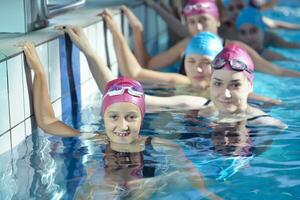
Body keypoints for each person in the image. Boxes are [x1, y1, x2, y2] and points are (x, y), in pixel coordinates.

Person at [23, 42, 221, 200]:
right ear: (103, 117)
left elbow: (187, 171)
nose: (122, 125)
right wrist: (39, 73)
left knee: (148, 183)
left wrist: (206, 193)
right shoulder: (98, 139)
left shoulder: (161, 145)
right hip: (110, 186)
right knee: (96, 188)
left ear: (142, 118)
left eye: (131, 117)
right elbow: (48, 122)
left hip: (143, 185)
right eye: (114, 117)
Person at [55, 24, 286, 128]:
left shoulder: (269, 125)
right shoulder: (193, 103)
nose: (225, 94)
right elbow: (121, 96)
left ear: (249, 85)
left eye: (235, 84)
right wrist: (89, 51)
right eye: (218, 83)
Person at [102, 8, 281, 105]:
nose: (198, 69)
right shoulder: (181, 81)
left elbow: (273, 97)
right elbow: (136, 73)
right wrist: (123, 32)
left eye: (206, 63)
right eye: (191, 62)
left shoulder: (231, 93)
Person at [124, 1, 300, 78]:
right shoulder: (186, 45)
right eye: (192, 22)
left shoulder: (235, 49)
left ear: (218, 20)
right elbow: (147, 66)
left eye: (203, 20)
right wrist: (137, 31)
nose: (198, 28)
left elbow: (277, 72)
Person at [236, 7, 300, 60]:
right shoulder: (233, 50)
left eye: (253, 31)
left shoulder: (271, 55)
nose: (248, 37)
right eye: (242, 32)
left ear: (262, 30)